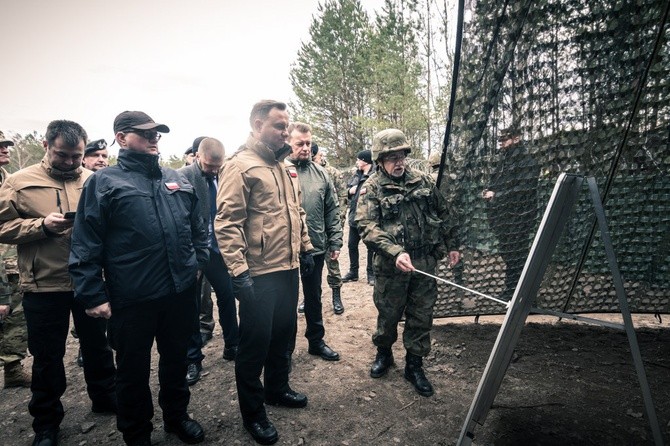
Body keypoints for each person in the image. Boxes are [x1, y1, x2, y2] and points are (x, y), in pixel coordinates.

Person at [69, 111, 208, 446]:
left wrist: (197, 264)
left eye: (156, 134)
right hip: (132, 299)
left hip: (179, 292)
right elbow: (86, 241)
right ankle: (137, 433)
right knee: (131, 373)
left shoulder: (176, 177)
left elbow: (198, 227)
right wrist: (94, 294)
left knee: (176, 362)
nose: (153, 139)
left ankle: (177, 417)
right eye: (145, 134)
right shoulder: (105, 182)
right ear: (121, 138)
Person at [0, 120, 117, 446]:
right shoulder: (18, 181)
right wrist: (41, 226)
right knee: (48, 357)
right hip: (44, 285)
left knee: (98, 347)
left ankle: (105, 398)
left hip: (88, 282)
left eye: (76, 156)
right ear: (46, 145)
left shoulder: (95, 179)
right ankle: (47, 423)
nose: (69, 162)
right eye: (62, 155)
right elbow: (2, 227)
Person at [215, 100, 313, 446]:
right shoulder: (241, 166)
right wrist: (239, 272)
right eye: (278, 126)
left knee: (284, 334)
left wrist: (306, 246)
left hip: (287, 268)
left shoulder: (284, 166)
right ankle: (253, 413)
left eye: (287, 125)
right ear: (258, 125)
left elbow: (296, 212)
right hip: (258, 273)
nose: (285, 131)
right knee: (254, 345)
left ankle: (277, 388)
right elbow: (227, 224)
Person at [356, 128, 460, 398]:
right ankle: (384, 353)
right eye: (391, 157)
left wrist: (453, 245)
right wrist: (395, 251)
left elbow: (445, 212)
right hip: (391, 266)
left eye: (401, 155)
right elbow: (366, 226)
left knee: (421, 314)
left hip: (424, 261)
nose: (398, 161)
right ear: (380, 160)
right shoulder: (372, 187)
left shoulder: (423, 181)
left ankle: (414, 365)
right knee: (389, 314)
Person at [178, 137, 239, 386]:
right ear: (196, 156)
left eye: (217, 166)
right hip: (192, 252)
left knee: (226, 295)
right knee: (191, 306)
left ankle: (233, 345)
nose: (213, 170)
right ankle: (193, 358)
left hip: (217, 251)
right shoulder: (181, 177)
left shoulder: (224, 175)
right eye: (209, 165)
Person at [285, 123, 341, 362]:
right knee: (286, 302)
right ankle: (284, 351)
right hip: (285, 251)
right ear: (288, 142)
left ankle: (316, 341)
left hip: (316, 246)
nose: (306, 148)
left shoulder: (321, 174)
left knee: (313, 297)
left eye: (308, 143)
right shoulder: (279, 170)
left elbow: (332, 209)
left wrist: (335, 240)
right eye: (300, 144)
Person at [482, 127, 539, 301]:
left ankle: (526, 294)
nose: (501, 143)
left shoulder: (527, 161)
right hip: (504, 218)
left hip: (520, 218)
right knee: (508, 254)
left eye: (504, 140)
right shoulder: (504, 161)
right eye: (500, 140)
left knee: (518, 255)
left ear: (516, 138)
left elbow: (524, 189)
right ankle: (512, 290)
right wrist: (489, 191)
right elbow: (497, 183)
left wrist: (497, 195)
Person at [73, 137, 110, 368]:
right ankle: (82, 347)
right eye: (95, 156)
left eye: (105, 156)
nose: (101, 160)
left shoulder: (109, 181)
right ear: (84, 158)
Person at [0, 130, 31, 389]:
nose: (5, 149)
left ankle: (12, 368)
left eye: (7, 145)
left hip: (11, 261)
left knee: (14, 316)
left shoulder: (10, 180)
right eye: (0, 146)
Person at [311, 143, 347, 314]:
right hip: (311, 230)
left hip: (328, 227)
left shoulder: (331, 173)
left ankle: (336, 296)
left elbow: (342, 196)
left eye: (314, 156)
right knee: (308, 269)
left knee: (333, 264)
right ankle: (308, 298)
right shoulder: (303, 173)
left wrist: (338, 222)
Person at [343, 149, 375, 285]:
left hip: (368, 217)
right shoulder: (357, 174)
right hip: (354, 217)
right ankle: (353, 272)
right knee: (351, 245)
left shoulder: (374, 176)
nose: (356, 162)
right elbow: (348, 190)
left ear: (364, 161)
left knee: (371, 247)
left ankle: (371, 274)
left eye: (358, 159)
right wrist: (351, 191)